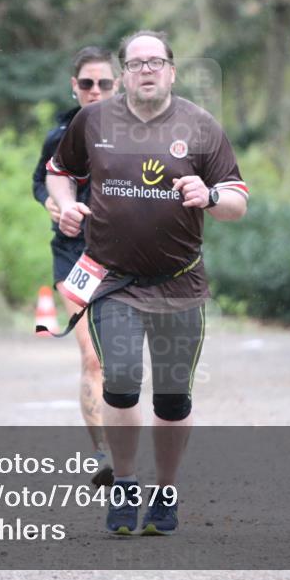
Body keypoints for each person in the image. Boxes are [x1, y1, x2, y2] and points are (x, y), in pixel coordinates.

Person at [46, 31, 248, 535]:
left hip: (179, 284)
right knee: (119, 385)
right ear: (124, 74)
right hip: (113, 282)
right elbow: (57, 170)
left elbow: (238, 202)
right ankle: (127, 484)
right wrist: (67, 204)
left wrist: (209, 194)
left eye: (156, 61)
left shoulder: (200, 127)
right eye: (136, 63)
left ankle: (166, 492)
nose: (147, 70)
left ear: (172, 72)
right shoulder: (93, 121)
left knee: (173, 400)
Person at [32, 46, 120, 488]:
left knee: (127, 364)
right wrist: (51, 201)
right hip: (74, 257)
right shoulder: (60, 135)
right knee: (92, 357)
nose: (95, 91)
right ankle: (106, 454)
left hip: (126, 258)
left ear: (117, 85)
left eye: (105, 83)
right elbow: (40, 179)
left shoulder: (138, 133)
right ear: (74, 85)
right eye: (87, 83)